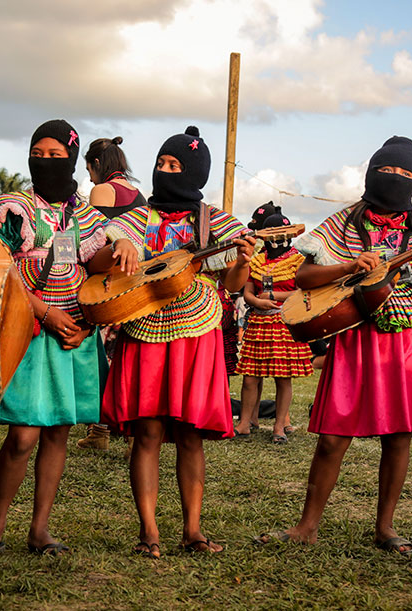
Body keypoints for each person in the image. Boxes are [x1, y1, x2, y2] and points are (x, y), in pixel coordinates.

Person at [255, 136, 412, 556]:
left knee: (399, 436)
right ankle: (307, 526)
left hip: (409, 341)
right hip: (356, 334)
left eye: (404, 173)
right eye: (387, 170)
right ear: (370, 173)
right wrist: (348, 265)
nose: (395, 179)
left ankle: (385, 528)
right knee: (332, 437)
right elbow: (304, 278)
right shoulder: (343, 222)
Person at [0, 120, 109, 560]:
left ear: (73, 158)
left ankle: (40, 530)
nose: (45, 161)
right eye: (37, 153)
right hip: (27, 327)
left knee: (58, 433)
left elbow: (94, 262)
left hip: (74, 332)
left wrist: (120, 251)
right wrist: (44, 311)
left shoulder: (86, 215)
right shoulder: (12, 206)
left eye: (56, 154)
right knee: (22, 436)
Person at [98, 126, 256, 558]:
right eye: (161, 164)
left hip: (196, 331)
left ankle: (193, 529)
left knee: (190, 434)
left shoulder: (216, 221)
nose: (165, 172)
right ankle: (148, 530)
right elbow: (109, 236)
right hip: (143, 324)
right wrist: (125, 246)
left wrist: (241, 260)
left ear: (195, 174)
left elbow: (234, 282)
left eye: (175, 166)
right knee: (147, 432)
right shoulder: (139, 215)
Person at [78, 136, 146, 450]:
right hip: (133, 280)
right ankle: (125, 429)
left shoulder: (102, 190)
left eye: (88, 167)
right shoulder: (139, 193)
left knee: (101, 357)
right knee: (124, 357)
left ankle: (99, 432)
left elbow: (93, 236)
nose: (88, 175)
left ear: (96, 164)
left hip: (107, 280)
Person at [234, 212, 313, 443]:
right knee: (250, 377)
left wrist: (276, 295)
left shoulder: (299, 261)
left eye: (283, 234)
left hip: (284, 322)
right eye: (274, 235)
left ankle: (280, 426)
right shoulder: (257, 260)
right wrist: (257, 301)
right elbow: (247, 291)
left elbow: (305, 293)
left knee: (283, 377)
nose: (279, 240)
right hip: (259, 323)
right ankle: (245, 423)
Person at [85, 135, 146, 218]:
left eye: (89, 170)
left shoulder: (102, 190)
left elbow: (96, 230)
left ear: (97, 163)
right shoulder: (140, 196)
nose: (91, 180)